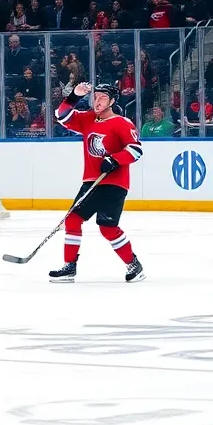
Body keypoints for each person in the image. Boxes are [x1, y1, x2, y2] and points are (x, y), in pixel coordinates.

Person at [50, 82, 146, 283]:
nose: (97, 101)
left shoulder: (122, 123)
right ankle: (69, 266)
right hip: (91, 182)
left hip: (114, 184)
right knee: (73, 219)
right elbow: (61, 116)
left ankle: (133, 264)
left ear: (112, 101)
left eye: (102, 97)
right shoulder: (88, 119)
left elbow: (136, 150)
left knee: (107, 228)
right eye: (95, 97)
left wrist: (115, 159)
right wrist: (74, 96)